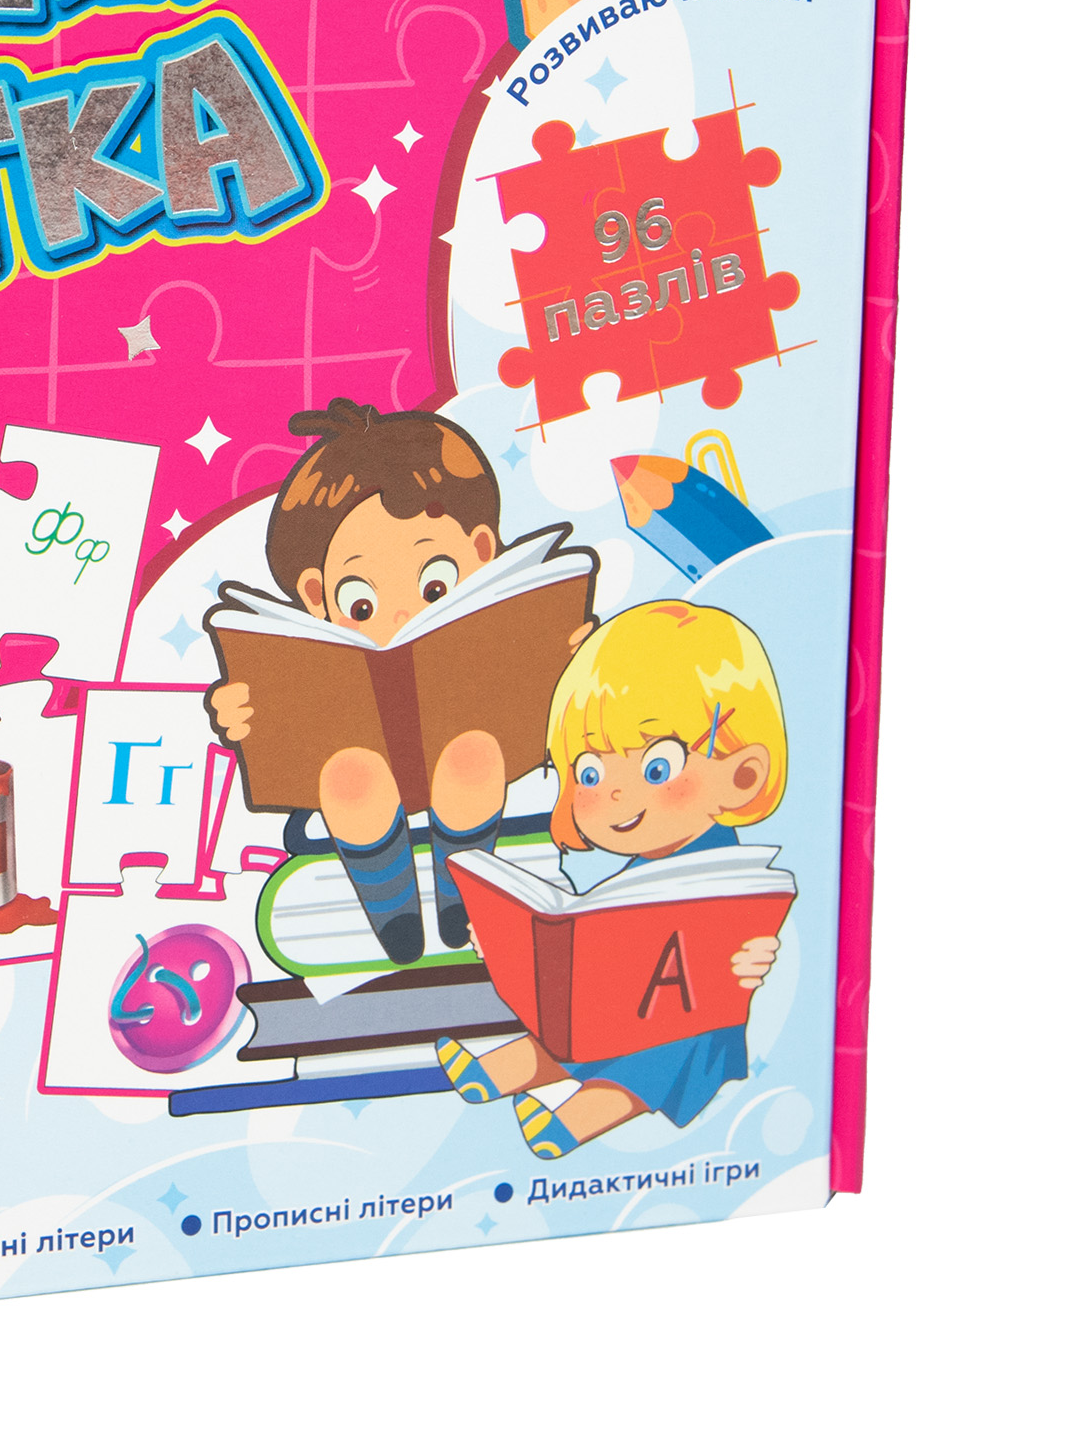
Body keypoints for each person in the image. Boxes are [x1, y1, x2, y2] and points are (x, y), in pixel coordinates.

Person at [435, 600, 788, 1157]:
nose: (616, 792)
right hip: (624, 1005)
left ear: (742, 776)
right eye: (591, 772)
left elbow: (743, 942)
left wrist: (751, 961)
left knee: (648, 1055)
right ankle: (500, 1070)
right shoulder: (640, 871)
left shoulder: (725, 873)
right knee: (574, 1025)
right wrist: (506, 940)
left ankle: (573, 1122)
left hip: (690, 1026)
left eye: (657, 767)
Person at [208, 399, 535, 965]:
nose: (403, 616)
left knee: (474, 757)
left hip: (477, 775)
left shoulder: (500, 630)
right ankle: (395, 917)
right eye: (361, 603)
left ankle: (461, 900)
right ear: (316, 596)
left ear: (482, 553)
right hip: (362, 800)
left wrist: (576, 657)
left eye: (434, 586)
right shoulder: (314, 659)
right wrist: (242, 713)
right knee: (350, 777)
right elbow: (278, 722)